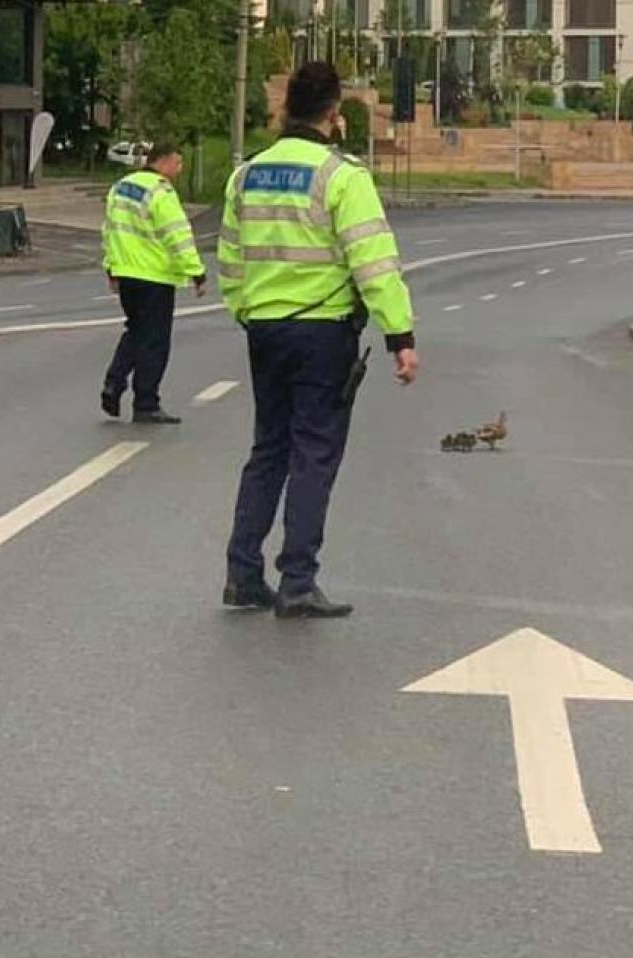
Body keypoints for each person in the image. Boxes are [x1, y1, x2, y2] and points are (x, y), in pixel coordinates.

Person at [218, 62, 419, 620]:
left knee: (268, 449)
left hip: (264, 330)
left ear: (285, 109)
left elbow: (230, 258)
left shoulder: (247, 175)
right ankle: (298, 581)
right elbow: (375, 262)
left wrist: (248, 312)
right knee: (313, 452)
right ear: (334, 113)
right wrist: (400, 335)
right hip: (323, 331)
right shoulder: (343, 177)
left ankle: (242, 574)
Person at [100, 143, 207, 424]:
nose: (180, 170)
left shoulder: (121, 187)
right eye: (178, 163)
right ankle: (146, 403)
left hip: (126, 273)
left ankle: (114, 381)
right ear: (164, 161)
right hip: (154, 277)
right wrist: (196, 272)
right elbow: (177, 234)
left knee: (135, 330)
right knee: (155, 340)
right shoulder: (161, 191)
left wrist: (111, 267)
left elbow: (109, 229)